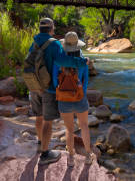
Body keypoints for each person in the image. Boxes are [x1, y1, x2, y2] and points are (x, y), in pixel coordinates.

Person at [29, 18, 88, 165]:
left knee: (39, 116)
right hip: (48, 89)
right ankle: (44, 155)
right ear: (51, 29)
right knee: (48, 122)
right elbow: (63, 61)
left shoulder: (34, 43)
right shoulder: (54, 44)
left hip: (33, 86)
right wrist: (82, 62)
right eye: (53, 28)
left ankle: (40, 143)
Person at [53, 31, 96, 167]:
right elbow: (86, 80)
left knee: (69, 129)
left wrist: (60, 92)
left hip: (64, 100)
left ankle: (71, 158)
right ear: (77, 45)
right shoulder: (83, 60)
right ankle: (88, 155)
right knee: (84, 126)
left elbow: (55, 81)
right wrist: (80, 94)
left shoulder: (58, 60)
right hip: (80, 99)